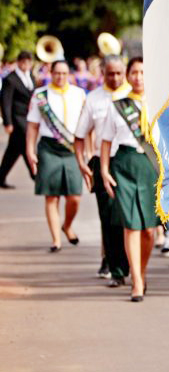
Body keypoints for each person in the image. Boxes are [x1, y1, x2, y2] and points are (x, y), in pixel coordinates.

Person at [97, 57, 159, 302]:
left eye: (143, 72)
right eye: (134, 72)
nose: (138, 77)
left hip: (152, 166)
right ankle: (136, 280)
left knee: (149, 231)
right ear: (128, 76)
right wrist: (104, 170)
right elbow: (105, 140)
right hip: (124, 165)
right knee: (131, 225)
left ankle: (141, 272)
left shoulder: (161, 104)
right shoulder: (118, 106)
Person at [74, 55, 132, 284]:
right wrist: (81, 162)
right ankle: (116, 269)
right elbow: (79, 135)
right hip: (102, 162)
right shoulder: (94, 99)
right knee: (109, 219)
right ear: (103, 74)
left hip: (132, 163)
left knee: (133, 220)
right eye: (110, 73)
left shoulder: (137, 96)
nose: (115, 77)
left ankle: (132, 265)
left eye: (119, 72)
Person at [25, 60, 86, 252]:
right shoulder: (40, 95)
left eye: (64, 73)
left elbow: (87, 126)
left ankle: (67, 225)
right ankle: (56, 239)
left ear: (69, 74)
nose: (60, 77)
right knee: (51, 196)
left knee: (74, 196)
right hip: (49, 147)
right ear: (51, 73)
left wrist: (89, 151)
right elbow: (33, 125)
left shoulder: (79, 94)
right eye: (57, 73)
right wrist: (29, 150)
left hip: (72, 149)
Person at [0, 51, 38, 188]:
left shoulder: (31, 77)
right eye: (24, 62)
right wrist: (7, 122)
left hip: (29, 118)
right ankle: (36, 175)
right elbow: (6, 102)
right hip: (17, 118)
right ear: (19, 62)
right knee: (27, 144)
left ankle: (1, 176)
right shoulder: (11, 79)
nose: (26, 65)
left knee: (13, 151)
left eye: (29, 62)